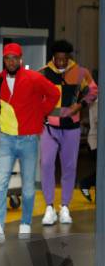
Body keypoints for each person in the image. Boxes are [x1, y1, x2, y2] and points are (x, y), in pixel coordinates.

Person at [0, 43, 60, 239]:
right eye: (7, 58)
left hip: (28, 141)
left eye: (14, 57)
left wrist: (41, 112)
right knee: (0, 183)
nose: (11, 61)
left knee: (27, 185)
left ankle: (25, 223)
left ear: (20, 59)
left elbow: (54, 94)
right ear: (4, 59)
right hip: (6, 139)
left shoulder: (34, 78)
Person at [39, 40, 98, 225]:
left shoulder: (81, 72)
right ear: (53, 57)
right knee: (47, 164)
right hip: (49, 127)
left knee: (69, 167)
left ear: (69, 58)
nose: (62, 63)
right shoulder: (43, 73)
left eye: (65, 59)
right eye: (58, 59)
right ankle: (49, 207)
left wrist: (79, 105)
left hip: (71, 128)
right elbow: (33, 96)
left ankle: (65, 207)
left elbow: (93, 91)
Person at [80, 97, 98, 202]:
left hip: (97, 141)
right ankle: (85, 183)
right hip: (96, 142)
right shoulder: (97, 102)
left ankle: (86, 184)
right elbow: (97, 119)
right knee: (101, 171)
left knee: (101, 171)